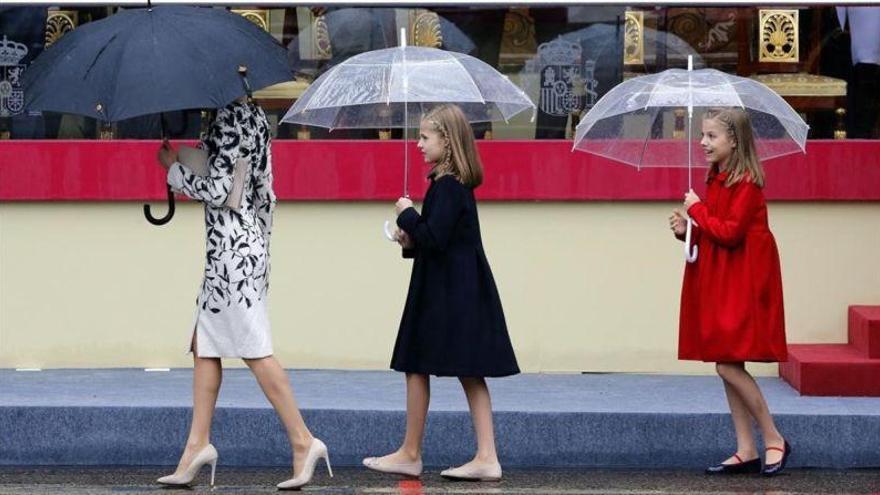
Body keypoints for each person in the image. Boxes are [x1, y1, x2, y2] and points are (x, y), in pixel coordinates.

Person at [155, 96, 330, 490]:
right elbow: (259, 186)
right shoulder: (249, 115)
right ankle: (196, 446)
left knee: (255, 349)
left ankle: (304, 441)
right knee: (205, 344)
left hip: (231, 252)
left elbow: (219, 189)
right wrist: (262, 245)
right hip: (238, 247)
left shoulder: (228, 118)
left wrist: (174, 172)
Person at [362, 104, 519, 481]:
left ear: (447, 141)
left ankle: (455, 455)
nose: (417, 144)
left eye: (425, 137)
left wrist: (407, 215)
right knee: (430, 365)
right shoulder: (447, 185)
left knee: (446, 367)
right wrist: (410, 235)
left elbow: (435, 237)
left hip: (451, 293)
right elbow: (435, 238)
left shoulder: (448, 187)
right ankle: (423, 452)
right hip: (449, 288)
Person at [669, 107, 791, 476]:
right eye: (702, 135)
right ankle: (746, 447)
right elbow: (714, 228)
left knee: (726, 361)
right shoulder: (717, 179)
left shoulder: (747, 183)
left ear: (734, 141)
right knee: (727, 362)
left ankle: (773, 438)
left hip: (744, 278)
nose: (702, 142)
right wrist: (687, 229)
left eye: (711, 136)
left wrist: (698, 211)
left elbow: (731, 232)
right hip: (725, 274)